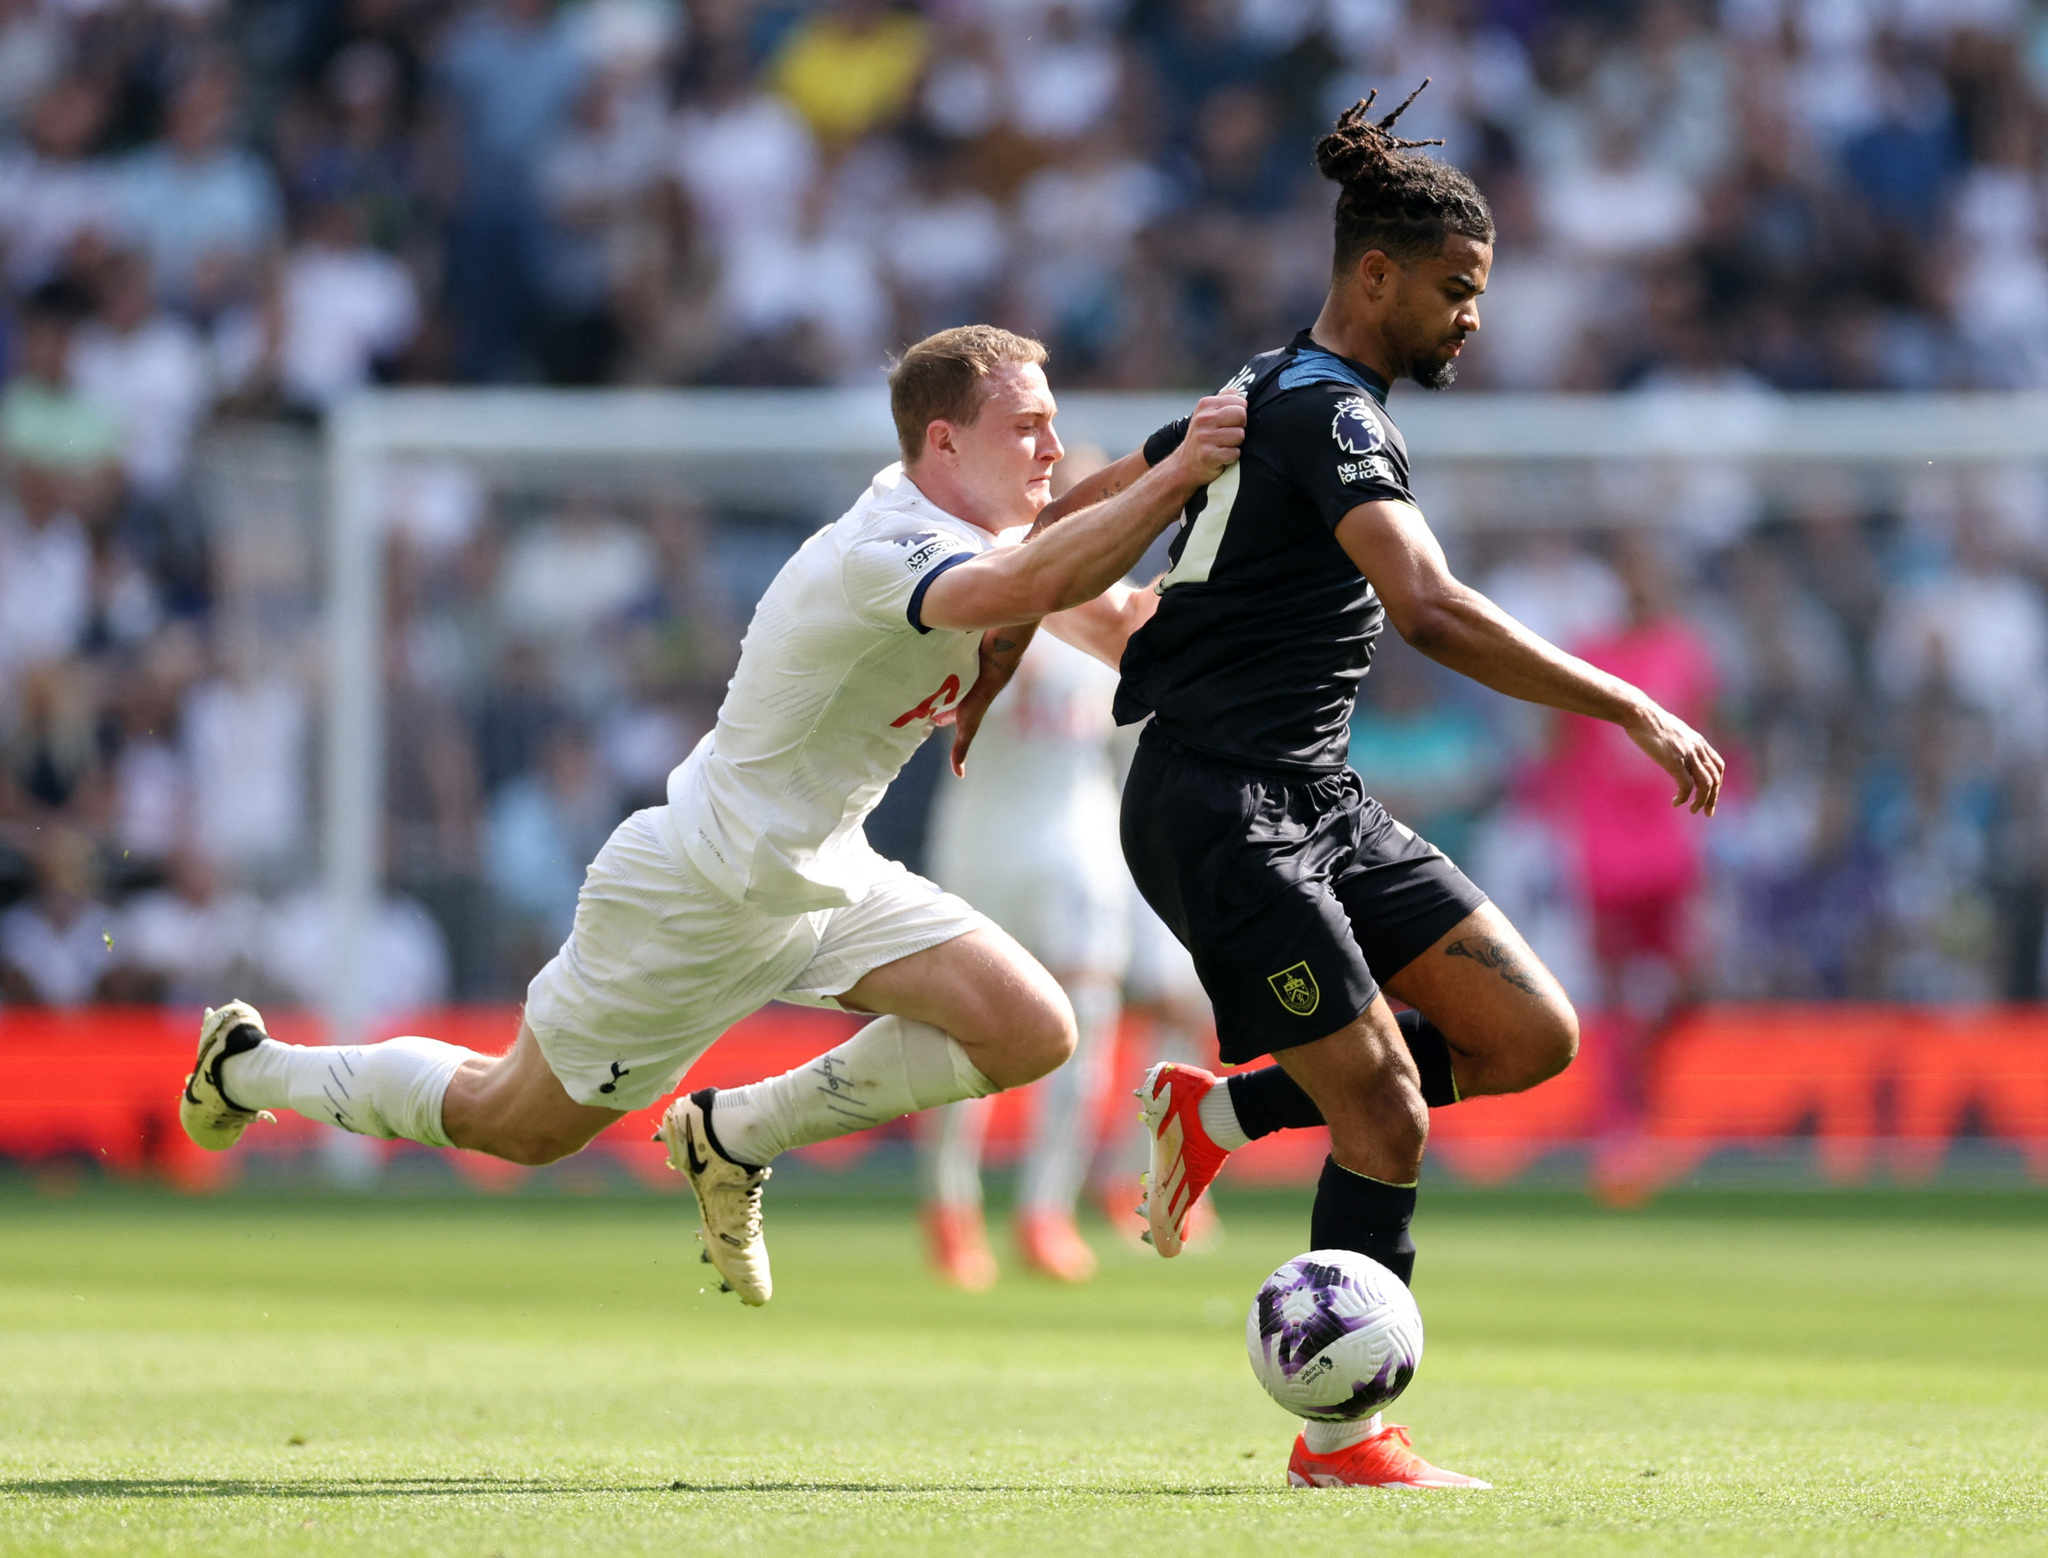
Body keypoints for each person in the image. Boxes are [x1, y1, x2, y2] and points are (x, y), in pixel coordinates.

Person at [178, 324, 1248, 1310]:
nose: (1051, 448)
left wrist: (1256, 556)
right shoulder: (891, 547)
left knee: (1033, 1029)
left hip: (826, 873)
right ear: (942, 441)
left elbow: (1127, 633)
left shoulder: (1003, 534)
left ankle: (735, 1131)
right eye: (1027, 426)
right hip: (703, 884)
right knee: (516, 1121)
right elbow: (1025, 581)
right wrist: (1174, 467)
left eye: (1054, 427)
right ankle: (249, 1067)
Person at [1024, 88, 1724, 1490]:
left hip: (1314, 794)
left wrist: (1041, 583)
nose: (1473, 316)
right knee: (1388, 1110)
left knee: (1530, 1032)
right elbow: (1429, 608)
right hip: (1219, 804)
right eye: (1457, 291)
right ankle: (1342, 1436)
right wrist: (1631, 699)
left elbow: (1080, 510)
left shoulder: (1266, 387)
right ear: (1377, 274)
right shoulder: (1328, 412)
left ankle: (1216, 1112)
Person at [919, 627, 1127, 1288]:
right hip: (983, 845)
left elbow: (1139, 732)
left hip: (1080, 843)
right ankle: (951, 1205)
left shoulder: (1112, 604)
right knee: (963, 1030)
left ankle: (1046, 1211)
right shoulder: (974, 592)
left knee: (1088, 1014)